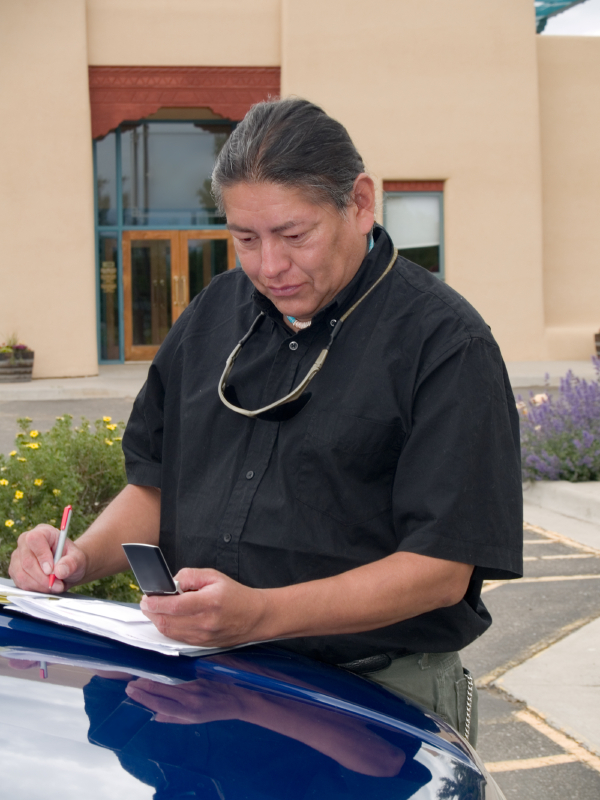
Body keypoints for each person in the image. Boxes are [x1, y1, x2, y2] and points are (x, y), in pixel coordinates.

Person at [9, 98, 523, 745]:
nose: (268, 267)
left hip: (377, 703)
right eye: (244, 239)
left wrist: (261, 615)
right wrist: (77, 557)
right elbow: (157, 485)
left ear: (359, 203)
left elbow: (441, 570)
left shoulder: (447, 344)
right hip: (207, 680)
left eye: (293, 235)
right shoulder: (210, 314)